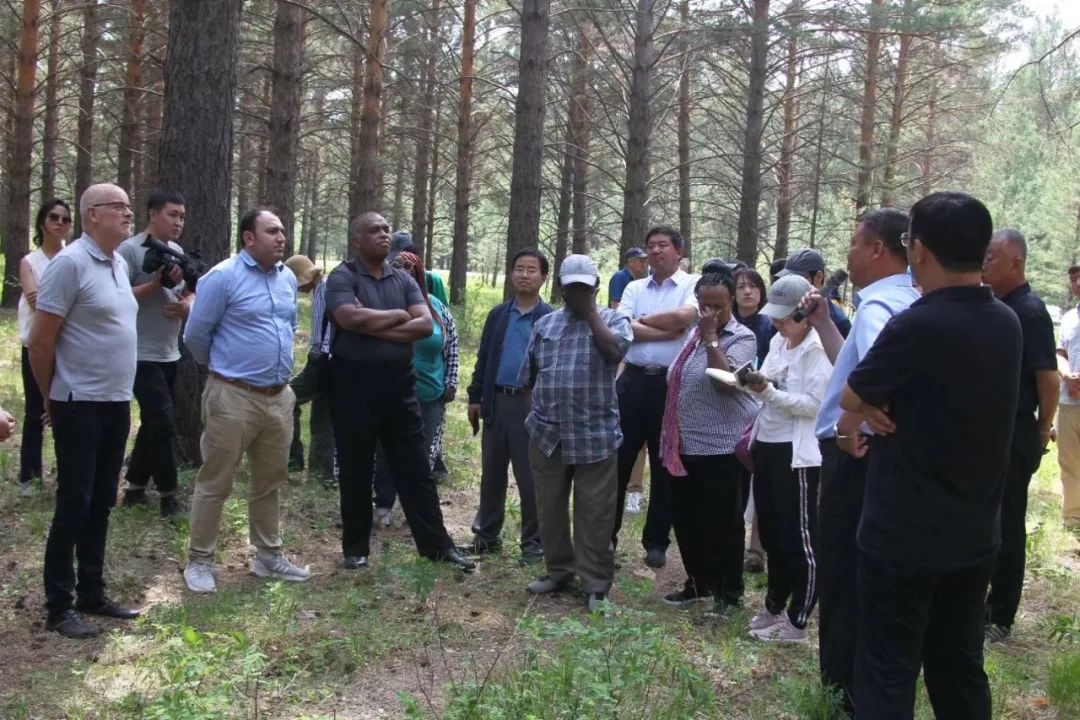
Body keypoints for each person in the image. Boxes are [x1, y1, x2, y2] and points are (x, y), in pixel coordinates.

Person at [841, 192, 1021, 719]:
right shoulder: (1005, 322)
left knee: (887, 670)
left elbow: (854, 396)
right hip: (974, 530)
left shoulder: (918, 323)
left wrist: (866, 413)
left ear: (917, 249)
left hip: (903, 534)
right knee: (959, 665)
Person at [803, 207, 918, 713]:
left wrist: (860, 419)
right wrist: (827, 324)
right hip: (886, 454)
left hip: (856, 453)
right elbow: (852, 359)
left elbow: (874, 374)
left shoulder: (876, 307)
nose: (848, 254)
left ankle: (841, 685)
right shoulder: (910, 300)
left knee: (844, 569)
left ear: (877, 249)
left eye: (854, 242)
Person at [325, 212, 474, 571]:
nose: (383, 235)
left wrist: (373, 323)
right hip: (353, 383)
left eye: (386, 230)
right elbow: (347, 319)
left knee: (415, 468)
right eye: (373, 230)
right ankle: (356, 548)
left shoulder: (404, 280)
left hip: (399, 383)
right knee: (356, 466)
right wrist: (398, 318)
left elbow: (425, 325)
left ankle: (436, 546)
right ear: (357, 240)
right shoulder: (342, 277)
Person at [29, 183, 141, 638]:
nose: (128, 214)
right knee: (73, 503)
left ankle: (91, 592)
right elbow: (40, 341)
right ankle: (59, 605)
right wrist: (52, 397)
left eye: (130, 207)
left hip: (115, 402)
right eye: (120, 207)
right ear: (92, 214)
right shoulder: (70, 264)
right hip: (77, 402)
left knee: (101, 501)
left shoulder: (116, 262)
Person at [182, 207, 311, 593]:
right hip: (233, 396)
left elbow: (289, 327)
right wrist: (225, 373)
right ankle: (200, 561)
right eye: (272, 231)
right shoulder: (222, 278)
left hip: (278, 397)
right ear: (248, 238)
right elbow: (195, 336)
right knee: (215, 480)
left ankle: (268, 557)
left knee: (270, 480)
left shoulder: (287, 278)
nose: (281, 238)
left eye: (283, 231)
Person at [521, 254, 633, 613]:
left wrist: (591, 314)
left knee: (595, 513)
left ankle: (596, 584)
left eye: (586, 288)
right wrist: (535, 416)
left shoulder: (615, 320)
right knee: (549, 508)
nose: (580, 293)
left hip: (594, 434)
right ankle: (558, 571)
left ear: (597, 287)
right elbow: (530, 374)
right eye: (573, 288)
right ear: (562, 289)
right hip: (547, 434)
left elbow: (614, 352)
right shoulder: (546, 325)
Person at [660, 268, 758, 612]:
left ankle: (729, 593)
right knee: (687, 520)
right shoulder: (692, 334)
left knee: (724, 524)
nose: (711, 312)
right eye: (705, 306)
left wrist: (712, 337)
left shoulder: (742, 337)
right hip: (684, 446)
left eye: (718, 305)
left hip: (723, 447)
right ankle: (698, 582)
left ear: (732, 301)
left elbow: (725, 383)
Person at [743, 274, 831, 643]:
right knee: (774, 534)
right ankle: (774, 605)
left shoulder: (818, 349)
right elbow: (770, 382)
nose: (777, 323)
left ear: (806, 315)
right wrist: (754, 383)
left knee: (801, 539)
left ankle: (797, 620)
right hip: (767, 444)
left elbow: (814, 406)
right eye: (775, 316)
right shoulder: (779, 341)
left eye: (784, 316)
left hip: (797, 456)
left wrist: (768, 393)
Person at [981, 229, 1058, 643]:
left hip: (1016, 430)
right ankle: (981, 602)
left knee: (1006, 522)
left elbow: (1048, 379)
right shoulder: (997, 304)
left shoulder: (1029, 310)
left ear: (1016, 262)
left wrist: (1044, 429)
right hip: (990, 429)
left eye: (991, 258)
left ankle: (1001, 615)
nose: (984, 264)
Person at [612, 226, 699, 569]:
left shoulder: (692, 285)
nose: (656, 251)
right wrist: (668, 330)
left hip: (670, 386)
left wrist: (641, 324)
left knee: (665, 465)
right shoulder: (634, 286)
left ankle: (656, 542)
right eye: (651, 246)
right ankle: (606, 537)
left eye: (663, 245)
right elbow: (621, 328)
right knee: (617, 460)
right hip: (631, 383)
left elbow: (684, 318)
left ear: (678, 251)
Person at [461, 249, 552, 561]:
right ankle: (486, 536)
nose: (524, 275)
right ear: (511, 274)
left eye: (531, 270)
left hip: (531, 406)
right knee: (492, 474)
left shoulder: (550, 318)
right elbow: (484, 358)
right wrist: (475, 396)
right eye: (519, 269)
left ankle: (533, 543)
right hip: (497, 402)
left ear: (543, 277)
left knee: (530, 478)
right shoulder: (499, 314)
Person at [116, 189, 191, 518]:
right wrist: (155, 284)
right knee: (162, 421)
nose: (178, 222)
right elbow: (115, 297)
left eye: (182, 217)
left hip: (169, 351)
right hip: (138, 352)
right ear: (152, 215)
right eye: (172, 215)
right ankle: (168, 494)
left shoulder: (176, 250)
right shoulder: (128, 251)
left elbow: (190, 288)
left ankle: (133, 488)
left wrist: (185, 304)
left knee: (153, 422)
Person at [372, 250, 460, 529]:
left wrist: (451, 382)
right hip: (390, 390)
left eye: (410, 268)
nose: (403, 272)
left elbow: (451, 347)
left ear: (419, 274)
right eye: (397, 266)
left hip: (430, 392)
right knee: (387, 449)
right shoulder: (382, 305)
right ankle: (384, 504)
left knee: (422, 454)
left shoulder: (435, 308)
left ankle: (418, 511)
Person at [17, 198, 70, 496]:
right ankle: (30, 476)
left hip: (67, 345)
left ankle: (67, 473)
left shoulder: (72, 258)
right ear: (42, 223)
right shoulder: (30, 261)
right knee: (35, 410)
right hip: (36, 343)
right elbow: (35, 299)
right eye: (54, 217)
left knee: (65, 409)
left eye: (65, 218)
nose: (60, 223)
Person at [285, 254, 336, 484]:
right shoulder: (320, 290)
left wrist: (325, 356)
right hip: (326, 360)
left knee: (286, 399)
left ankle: (293, 459)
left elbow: (332, 325)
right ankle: (321, 472)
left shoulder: (325, 289)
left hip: (323, 360)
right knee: (322, 415)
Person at [777, 249, 851, 337]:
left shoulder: (840, 323)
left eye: (798, 279)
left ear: (818, 277)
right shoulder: (784, 313)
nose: (791, 284)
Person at [1058, 265, 1080, 532]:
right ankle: (1073, 518)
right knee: (1069, 461)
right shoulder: (1068, 318)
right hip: (1068, 400)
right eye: (1073, 279)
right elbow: (1060, 352)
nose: (1076, 282)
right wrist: (1067, 377)